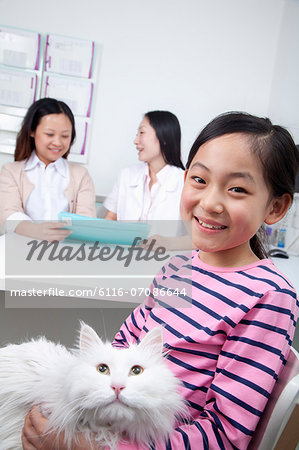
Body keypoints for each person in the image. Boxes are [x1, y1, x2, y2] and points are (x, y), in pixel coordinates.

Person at [22, 111, 299, 449]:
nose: (209, 202)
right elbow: (122, 348)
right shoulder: (178, 268)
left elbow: (225, 435)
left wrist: (92, 447)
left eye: (237, 188)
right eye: (199, 179)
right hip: (112, 425)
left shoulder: (269, 296)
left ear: (276, 207)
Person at [0, 98, 96, 242]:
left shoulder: (80, 175)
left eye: (65, 136)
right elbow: (8, 214)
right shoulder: (11, 172)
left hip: (63, 255)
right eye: (50, 134)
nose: (57, 142)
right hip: (19, 251)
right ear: (32, 131)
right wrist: (36, 230)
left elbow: (86, 222)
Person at [103, 110, 185, 222]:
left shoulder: (184, 183)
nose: (135, 141)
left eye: (142, 133)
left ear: (164, 137)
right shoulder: (126, 176)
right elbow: (110, 218)